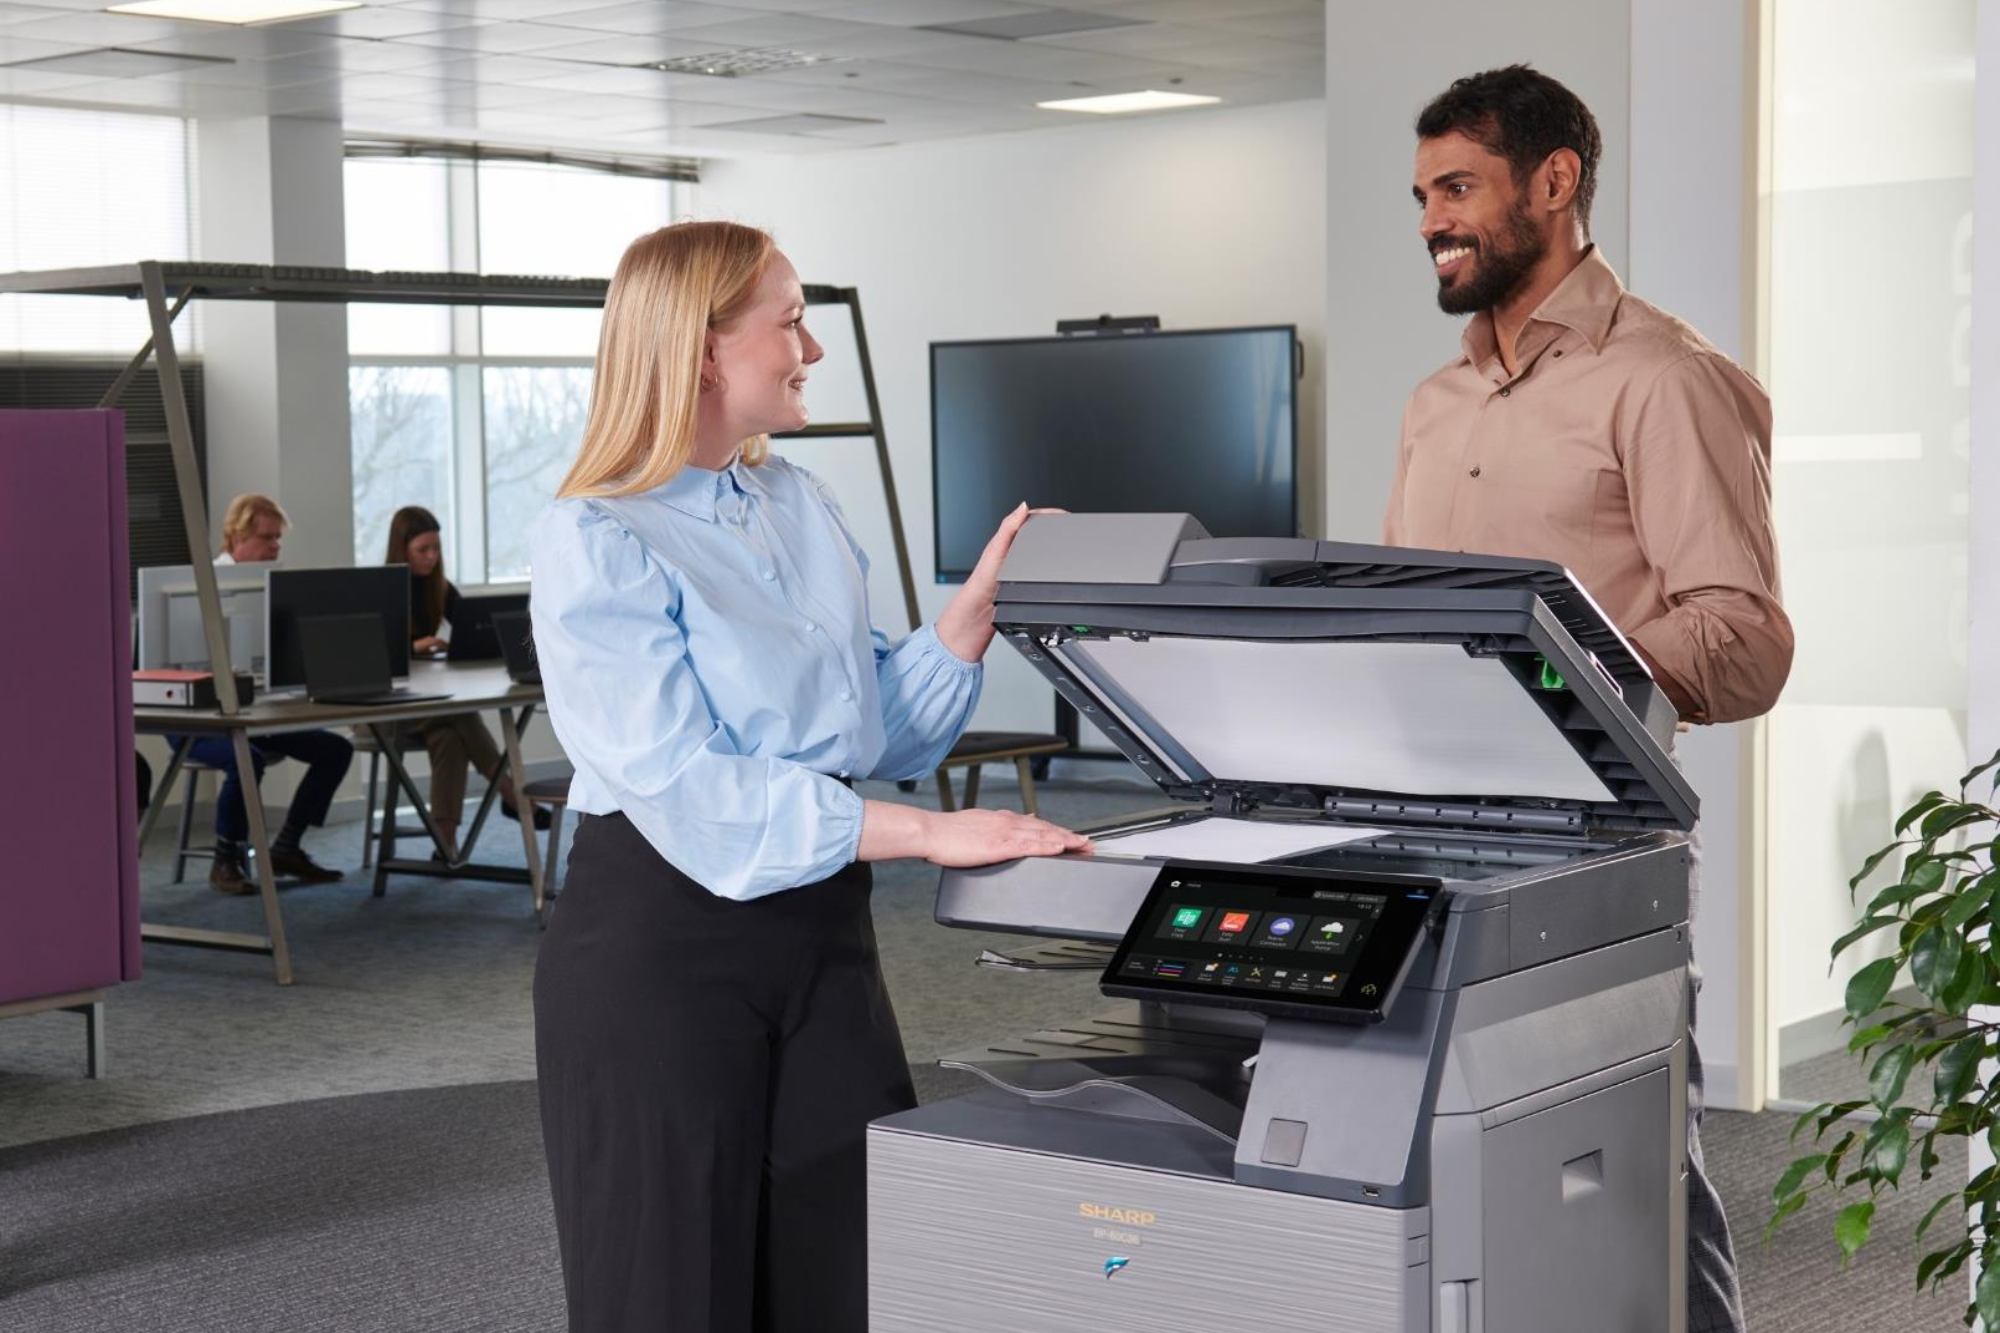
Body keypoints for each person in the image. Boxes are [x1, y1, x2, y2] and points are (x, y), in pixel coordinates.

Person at [529, 221, 1090, 1333]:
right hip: (660, 938)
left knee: (849, 1265)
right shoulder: (597, 535)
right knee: (671, 1292)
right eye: (788, 320)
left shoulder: (799, 504)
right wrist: (928, 836)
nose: (811, 348)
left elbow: (861, 728)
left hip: (820, 927)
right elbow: (687, 786)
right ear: (698, 347)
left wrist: (972, 614)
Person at [1387, 67, 1794, 1333]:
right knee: (1448, 1169)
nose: (1429, 222)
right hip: (1424, 843)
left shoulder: (1661, 379)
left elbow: (1743, 635)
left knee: (1627, 1173)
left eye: (1455, 188)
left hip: (1586, 854)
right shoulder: (1434, 400)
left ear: (1552, 183)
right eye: (1418, 196)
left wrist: (1556, 683)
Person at [189, 494, 353, 894]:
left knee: (335, 749)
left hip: (254, 710)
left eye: (278, 538)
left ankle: (286, 847)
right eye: (267, 538)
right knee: (247, 758)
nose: (276, 547)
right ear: (235, 538)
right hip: (195, 719)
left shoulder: (269, 587)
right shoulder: (201, 588)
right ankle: (225, 861)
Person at [381, 504, 539, 860]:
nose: (432, 557)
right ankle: (511, 793)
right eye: (423, 550)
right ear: (401, 549)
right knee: (460, 716)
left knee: (450, 734)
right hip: (386, 709)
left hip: (429, 706)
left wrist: (460, 646)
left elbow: (473, 623)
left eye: (436, 549)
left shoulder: (439, 586)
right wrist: (412, 646)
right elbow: (372, 653)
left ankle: (445, 842)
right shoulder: (383, 587)